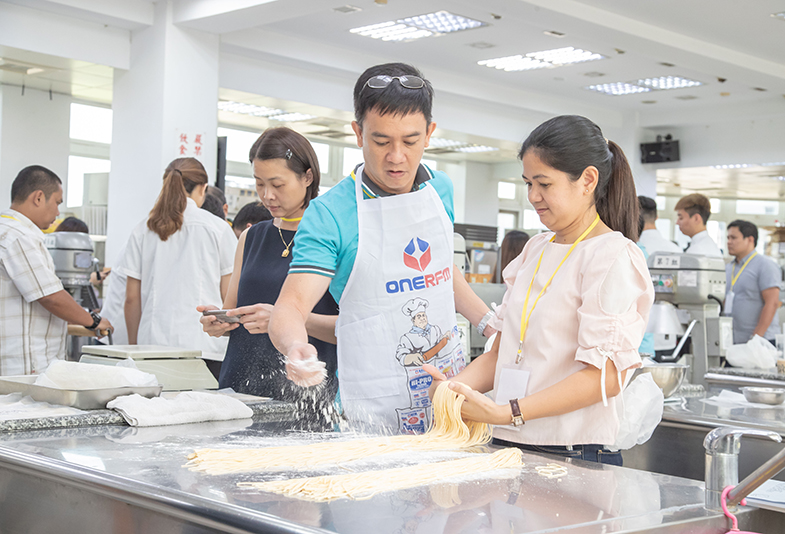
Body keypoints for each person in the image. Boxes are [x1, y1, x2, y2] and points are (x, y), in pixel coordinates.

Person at [269, 62, 496, 434]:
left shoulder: (441, 191)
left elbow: (439, 272)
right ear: (357, 133)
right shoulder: (331, 214)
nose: (396, 156)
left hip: (451, 393)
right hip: (373, 407)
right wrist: (296, 346)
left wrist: (486, 321)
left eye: (410, 141)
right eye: (380, 141)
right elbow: (291, 305)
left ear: (430, 133)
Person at [425, 115, 654, 465]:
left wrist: (509, 411)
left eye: (544, 184)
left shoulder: (611, 256)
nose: (533, 196)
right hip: (510, 444)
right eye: (528, 183)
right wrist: (453, 390)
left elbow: (604, 378)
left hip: (573, 453)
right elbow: (501, 352)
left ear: (587, 180)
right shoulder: (536, 249)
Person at [197, 128, 338, 415]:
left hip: (304, 396)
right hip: (240, 390)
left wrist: (287, 320)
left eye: (277, 184)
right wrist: (221, 323)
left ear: (307, 177)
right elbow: (234, 312)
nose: (267, 196)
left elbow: (352, 329)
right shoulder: (251, 238)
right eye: (259, 184)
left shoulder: (331, 238)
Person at [120, 157, 237, 377]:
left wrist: (135, 345)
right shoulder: (217, 228)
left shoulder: (143, 229)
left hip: (152, 347)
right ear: (202, 189)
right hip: (205, 348)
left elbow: (131, 299)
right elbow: (228, 295)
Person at [0, 165, 112, 375]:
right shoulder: (18, 236)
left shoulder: (10, 232)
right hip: (21, 368)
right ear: (39, 197)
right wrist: (93, 320)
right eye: (57, 203)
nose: (58, 212)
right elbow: (50, 297)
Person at [725, 220, 781, 345]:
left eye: (733, 238)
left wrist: (756, 338)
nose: (729, 242)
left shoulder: (765, 266)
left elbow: (772, 303)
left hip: (760, 341)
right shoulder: (729, 268)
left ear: (750, 240)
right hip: (734, 340)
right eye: (728, 237)